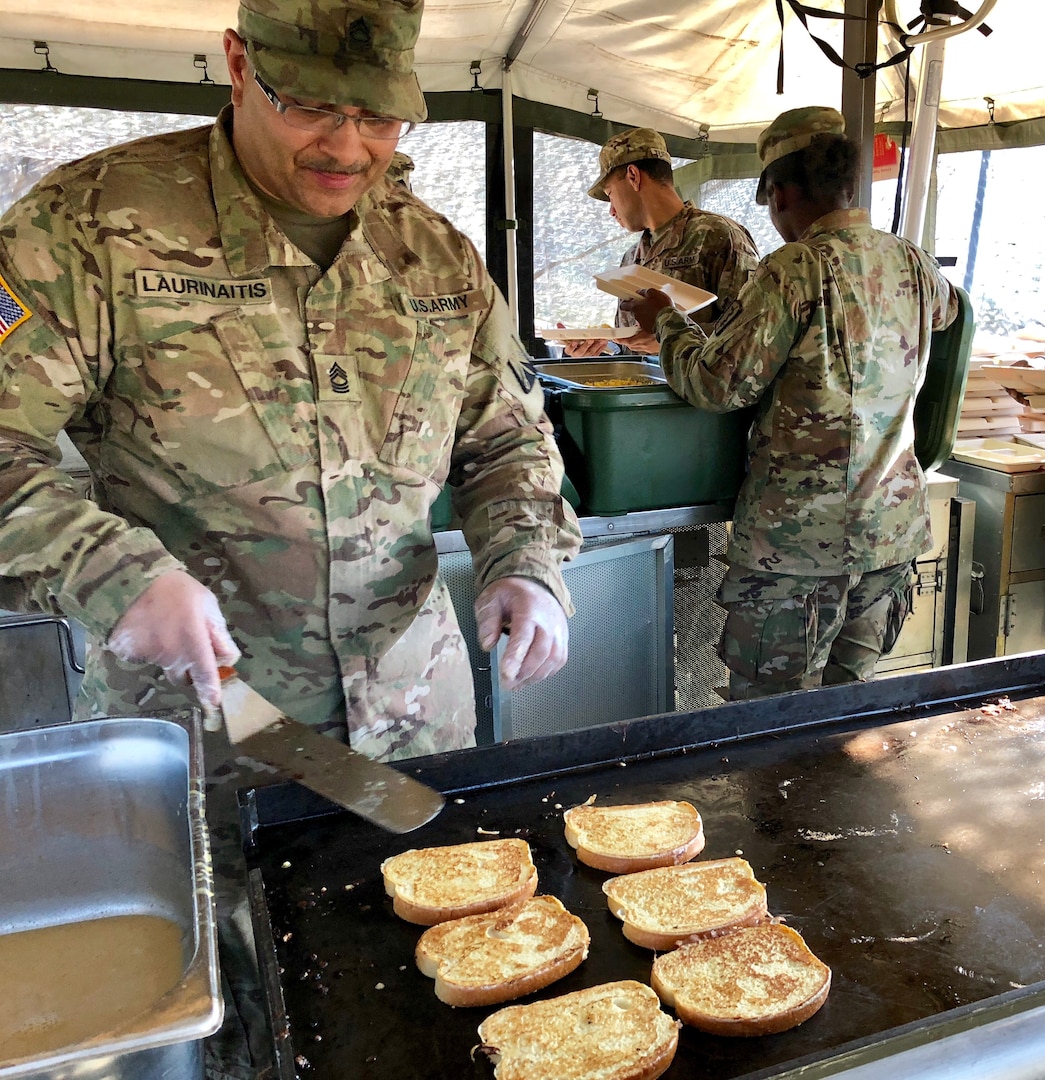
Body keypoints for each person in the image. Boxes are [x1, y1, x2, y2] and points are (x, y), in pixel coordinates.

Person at [0, 3, 580, 1075]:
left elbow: (509, 443)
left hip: (415, 725)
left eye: (380, 117)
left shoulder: (438, 258)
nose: (348, 146)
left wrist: (526, 565)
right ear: (236, 64)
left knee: (432, 1012)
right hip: (201, 732)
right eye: (311, 104)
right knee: (229, 1030)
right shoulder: (90, 225)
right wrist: (116, 572)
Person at [622, 106, 961, 700]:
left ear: (779, 192)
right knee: (847, 715)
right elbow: (952, 312)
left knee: (768, 724)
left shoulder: (794, 269)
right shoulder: (911, 261)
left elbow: (718, 385)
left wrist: (668, 324)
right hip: (888, 537)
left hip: (798, 550)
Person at [564, 127, 759, 358]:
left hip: (693, 394)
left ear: (633, 176)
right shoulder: (632, 258)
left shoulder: (717, 235)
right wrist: (595, 350)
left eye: (610, 194)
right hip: (642, 393)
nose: (611, 210)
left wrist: (670, 338)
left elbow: (753, 331)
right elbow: (630, 353)